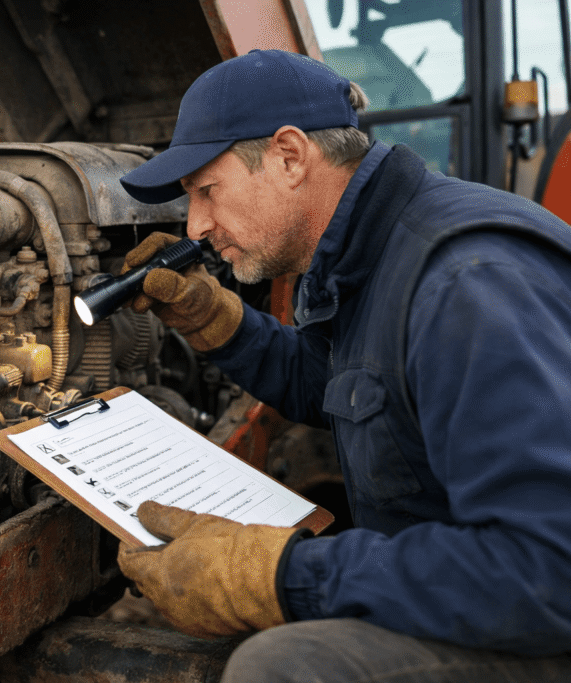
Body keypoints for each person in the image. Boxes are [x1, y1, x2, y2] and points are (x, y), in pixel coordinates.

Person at [115, 49, 571, 682]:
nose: (196, 226)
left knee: (281, 667)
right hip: (494, 591)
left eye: (206, 190)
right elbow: (343, 388)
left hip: (542, 612)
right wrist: (215, 321)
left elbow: (549, 566)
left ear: (290, 156)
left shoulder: (466, 284)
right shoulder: (368, 257)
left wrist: (281, 576)